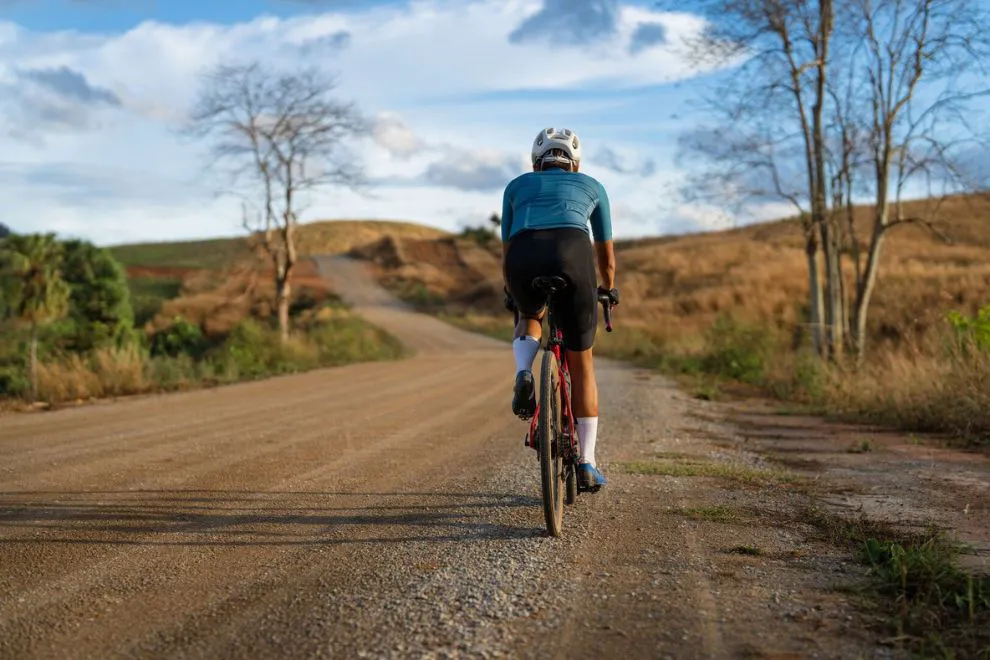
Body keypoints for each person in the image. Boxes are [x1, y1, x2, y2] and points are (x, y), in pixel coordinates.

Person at [500, 127, 619, 491]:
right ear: (575, 162)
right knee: (581, 363)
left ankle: (524, 370)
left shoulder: (516, 186)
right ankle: (587, 463)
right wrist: (608, 289)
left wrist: (513, 290)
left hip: (523, 256)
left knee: (529, 316)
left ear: (537, 163)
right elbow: (605, 253)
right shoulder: (593, 186)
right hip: (573, 254)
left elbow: (507, 244)